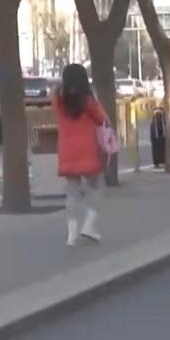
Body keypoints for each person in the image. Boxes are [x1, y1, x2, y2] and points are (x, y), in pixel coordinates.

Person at [53, 63, 109, 245]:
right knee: (95, 187)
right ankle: (89, 225)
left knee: (72, 191)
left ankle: (71, 235)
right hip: (87, 150)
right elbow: (101, 118)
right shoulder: (88, 100)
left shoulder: (58, 98)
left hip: (67, 152)